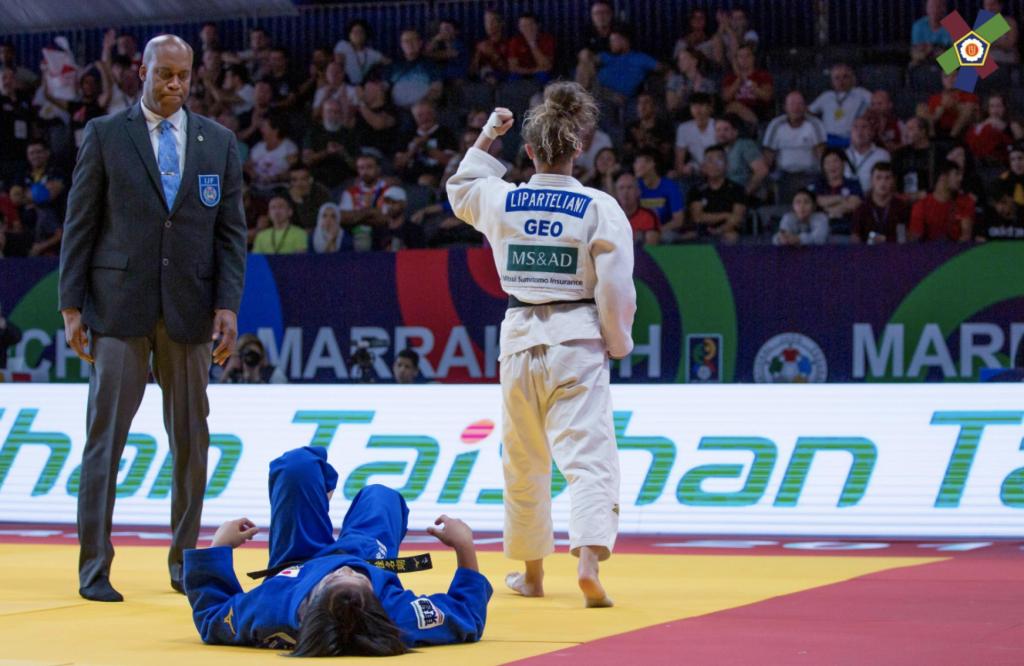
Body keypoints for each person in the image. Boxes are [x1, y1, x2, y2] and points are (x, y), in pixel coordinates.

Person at [58, 34, 247, 602]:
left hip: (189, 310)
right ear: (141, 72)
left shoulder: (219, 142)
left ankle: (185, 564)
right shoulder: (105, 135)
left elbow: (231, 234)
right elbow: (80, 223)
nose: (174, 84)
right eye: (164, 73)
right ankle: (94, 569)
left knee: (191, 443)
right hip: (118, 308)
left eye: (183, 75)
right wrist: (70, 306)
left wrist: (228, 305)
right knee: (104, 441)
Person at [447, 82, 637, 607]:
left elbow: (461, 186)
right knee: (589, 456)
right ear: (579, 148)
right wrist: (617, 341)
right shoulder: (598, 206)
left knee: (524, 459)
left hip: (519, 338)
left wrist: (489, 134)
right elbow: (615, 286)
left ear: (529, 151)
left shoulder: (503, 197)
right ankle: (589, 562)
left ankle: (532, 575)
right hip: (576, 338)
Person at [183, 446, 491, 655]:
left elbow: (211, 616)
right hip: (365, 557)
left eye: (334, 579)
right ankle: (324, 507)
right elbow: (467, 614)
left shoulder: (272, 610)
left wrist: (219, 545)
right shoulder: (398, 617)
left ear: (308, 606)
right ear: (376, 602)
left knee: (297, 467)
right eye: (358, 580)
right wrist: (464, 545)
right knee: (381, 495)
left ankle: (319, 494)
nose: (343, 571)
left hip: (296, 562)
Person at [686, 144, 747, 244]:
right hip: (701, 231)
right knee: (687, 236)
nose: (714, 165)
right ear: (704, 166)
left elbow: (737, 218)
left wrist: (719, 231)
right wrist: (726, 215)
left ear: (727, 165)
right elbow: (697, 217)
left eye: (719, 161)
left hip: (727, 230)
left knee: (731, 237)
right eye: (709, 160)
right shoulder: (696, 190)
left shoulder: (737, 189)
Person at [909, 159, 975, 241]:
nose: (960, 179)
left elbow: (966, 235)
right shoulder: (921, 206)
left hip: (958, 248)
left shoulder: (965, 202)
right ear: (943, 177)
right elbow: (914, 240)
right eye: (956, 174)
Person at [809, 63, 871, 148]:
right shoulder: (826, 96)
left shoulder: (861, 93)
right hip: (828, 140)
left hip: (851, 140)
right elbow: (808, 112)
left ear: (852, 78)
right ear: (832, 81)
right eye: (837, 78)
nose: (841, 81)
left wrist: (868, 114)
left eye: (845, 77)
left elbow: (879, 104)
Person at [851, 162, 911, 244]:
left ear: (893, 181)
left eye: (887, 178)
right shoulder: (862, 208)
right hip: (867, 250)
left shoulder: (901, 207)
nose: (883, 182)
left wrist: (885, 239)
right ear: (871, 180)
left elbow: (902, 238)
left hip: (894, 250)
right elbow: (855, 237)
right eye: (878, 178)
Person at [844, 117, 891, 194]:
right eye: (855, 127)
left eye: (864, 127)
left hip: (871, 198)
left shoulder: (882, 155)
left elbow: (886, 183)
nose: (859, 131)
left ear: (872, 132)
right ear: (851, 133)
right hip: (846, 198)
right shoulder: (843, 154)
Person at [614, 171, 660, 246]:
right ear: (616, 193)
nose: (625, 192)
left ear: (638, 192)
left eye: (629, 187)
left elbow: (651, 246)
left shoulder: (649, 216)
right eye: (621, 188)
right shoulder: (608, 216)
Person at [910, 0, 953, 66]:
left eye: (938, 6)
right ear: (926, 8)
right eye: (931, 7)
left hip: (950, 66)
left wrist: (930, 51)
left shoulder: (955, 23)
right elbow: (916, 53)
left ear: (944, 8)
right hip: (925, 65)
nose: (934, 10)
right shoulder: (918, 25)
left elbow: (967, 54)